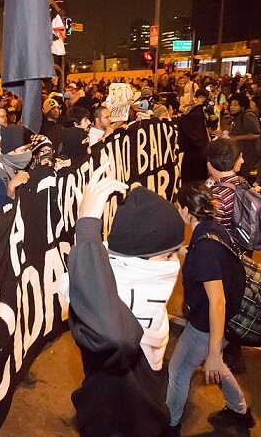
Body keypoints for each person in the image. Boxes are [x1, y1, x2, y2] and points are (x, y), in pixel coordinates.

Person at [64, 165, 184, 436]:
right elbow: (116, 338)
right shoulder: (100, 295)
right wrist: (87, 229)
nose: (175, 264)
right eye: (168, 256)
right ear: (138, 258)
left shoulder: (129, 280)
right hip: (113, 425)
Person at [168, 183, 254, 432]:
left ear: (186, 210)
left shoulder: (204, 248)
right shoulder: (213, 229)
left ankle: (171, 425)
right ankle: (240, 409)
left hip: (206, 325)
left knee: (179, 370)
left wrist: (215, 351)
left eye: (177, 206)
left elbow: (217, 301)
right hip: (224, 322)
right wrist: (185, 251)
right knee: (215, 366)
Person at [216, 94, 260, 180]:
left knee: (242, 175)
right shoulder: (237, 117)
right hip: (241, 151)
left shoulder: (248, 116)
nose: (232, 107)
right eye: (231, 105)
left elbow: (256, 134)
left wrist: (236, 138)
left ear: (242, 106)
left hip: (250, 151)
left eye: (236, 105)